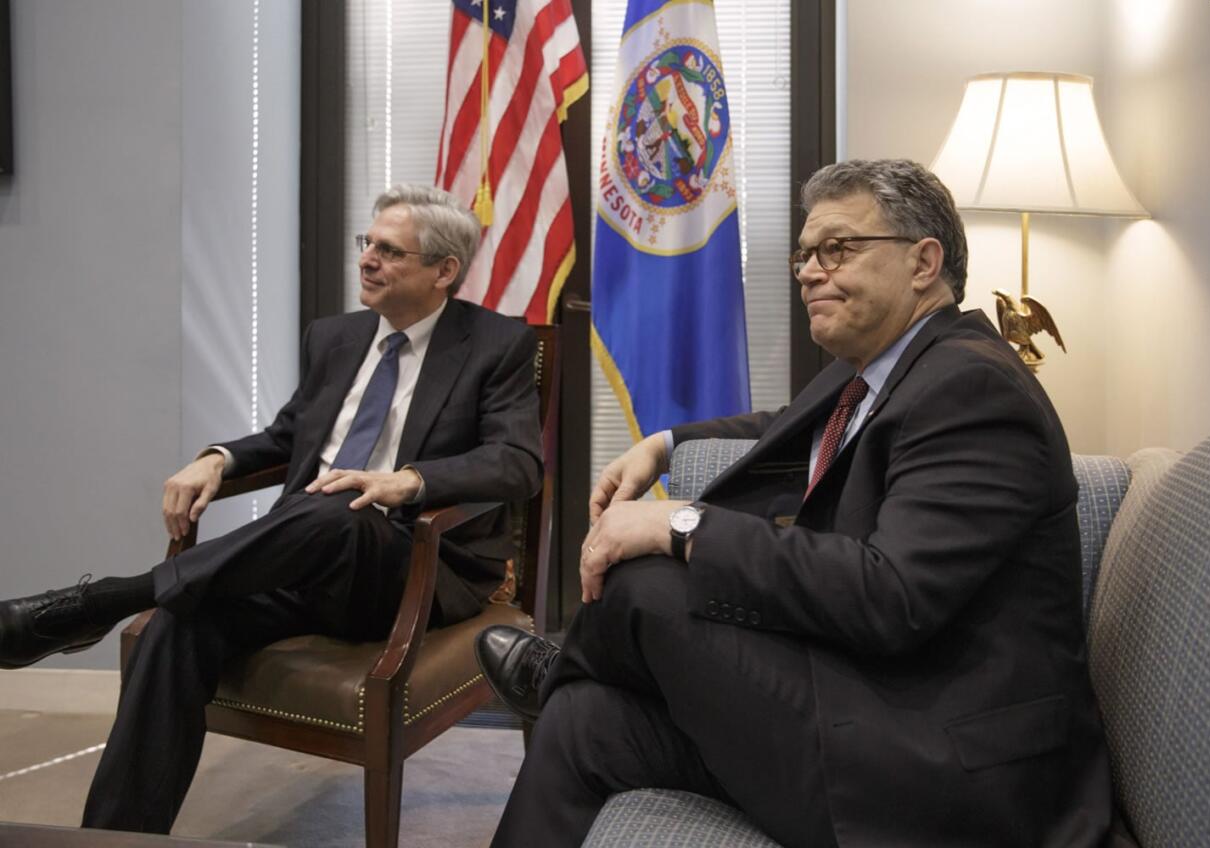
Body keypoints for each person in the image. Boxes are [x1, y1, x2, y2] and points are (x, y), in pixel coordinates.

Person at [477, 159, 1112, 847]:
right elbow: (782, 427)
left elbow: (891, 595)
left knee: (646, 587)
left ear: (923, 262)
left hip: (945, 765)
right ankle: (569, 677)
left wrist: (681, 522)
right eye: (805, 254)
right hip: (863, 696)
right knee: (585, 722)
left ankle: (559, 664)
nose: (810, 270)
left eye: (837, 249)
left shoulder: (975, 391)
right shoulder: (879, 374)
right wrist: (663, 442)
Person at [0, 184, 543, 833]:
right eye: (365, 243)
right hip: (307, 556)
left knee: (340, 504)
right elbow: (289, 440)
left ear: (443, 271)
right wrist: (217, 458)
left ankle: (104, 601)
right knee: (178, 625)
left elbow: (518, 464)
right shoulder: (335, 338)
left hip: (410, 570)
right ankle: (118, 839)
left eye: (390, 251)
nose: (367, 259)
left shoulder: (496, 344)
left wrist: (410, 480)